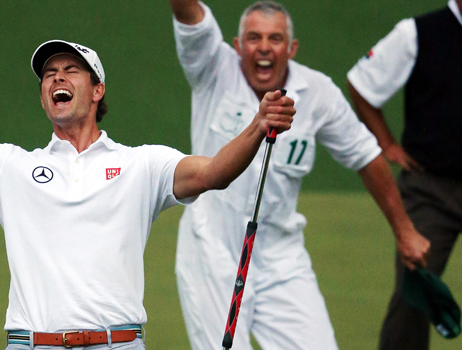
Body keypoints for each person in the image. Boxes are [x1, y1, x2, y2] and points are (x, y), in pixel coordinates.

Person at [0, 35, 294, 349]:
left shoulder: (142, 164)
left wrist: (258, 126)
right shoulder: (9, 167)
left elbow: (214, 172)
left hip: (120, 343)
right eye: (49, 73)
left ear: (97, 89)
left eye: (71, 70)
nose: (57, 78)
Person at [167, 1, 431, 349]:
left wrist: (405, 230)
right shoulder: (211, 66)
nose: (263, 47)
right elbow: (189, 14)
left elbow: (366, 156)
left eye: (275, 38)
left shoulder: (318, 92)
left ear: (290, 49)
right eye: (254, 37)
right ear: (237, 46)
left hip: (282, 256)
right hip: (212, 249)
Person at [347, 0, 462, 348]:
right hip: (431, 189)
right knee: (415, 292)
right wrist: (387, 144)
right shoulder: (417, 32)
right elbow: (361, 83)